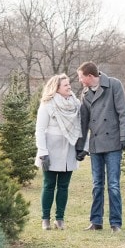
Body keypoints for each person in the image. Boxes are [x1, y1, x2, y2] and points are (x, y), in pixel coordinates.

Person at [76, 61, 125, 232]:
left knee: (113, 184)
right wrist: (80, 147)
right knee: (96, 184)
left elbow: (123, 112)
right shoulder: (85, 94)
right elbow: (83, 123)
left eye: (81, 77)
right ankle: (96, 221)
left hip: (113, 143)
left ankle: (116, 223)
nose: (80, 81)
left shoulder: (114, 85)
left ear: (90, 76)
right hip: (96, 145)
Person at [34, 74, 83, 230]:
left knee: (63, 186)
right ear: (56, 88)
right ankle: (45, 219)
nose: (69, 87)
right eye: (65, 85)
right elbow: (40, 130)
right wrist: (43, 152)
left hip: (69, 148)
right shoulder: (47, 104)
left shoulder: (76, 104)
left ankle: (60, 218)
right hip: (50, 150)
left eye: (69, 84)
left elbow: (80, 127)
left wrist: (82, 147)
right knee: (49, 185)